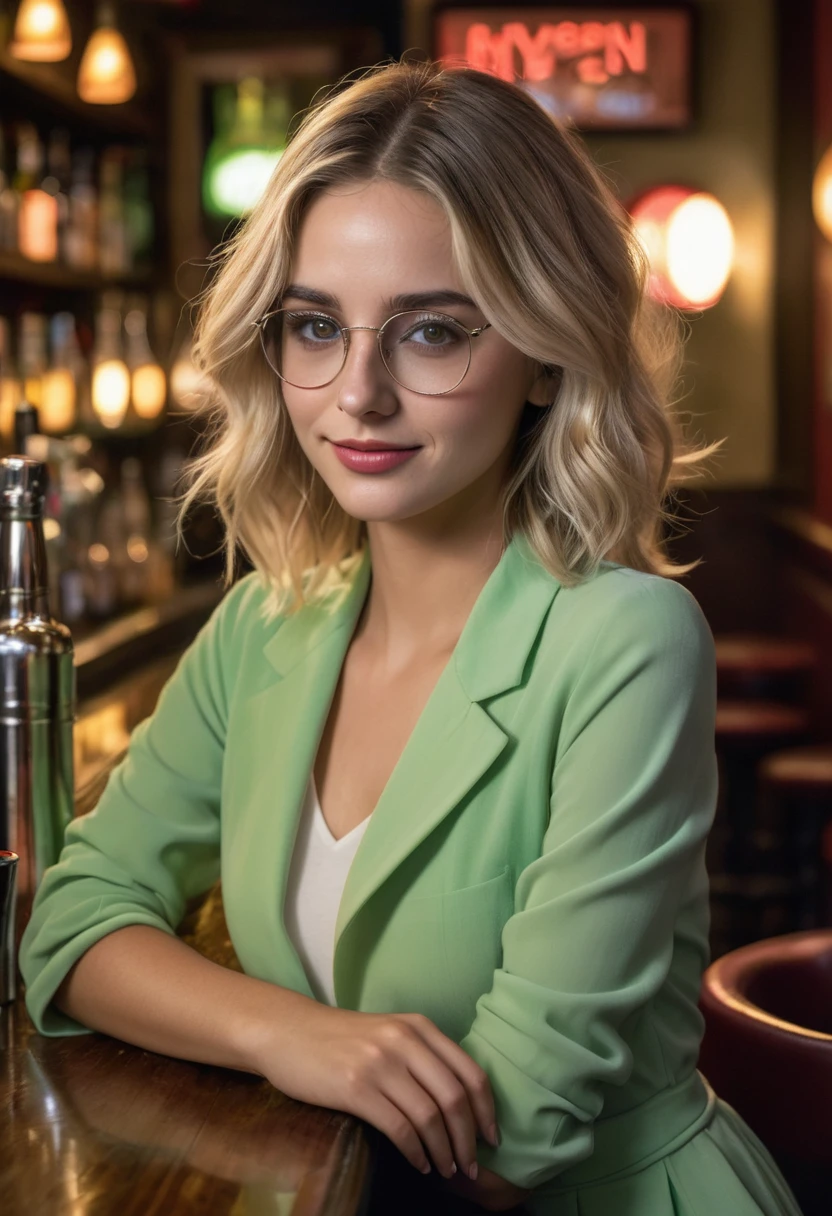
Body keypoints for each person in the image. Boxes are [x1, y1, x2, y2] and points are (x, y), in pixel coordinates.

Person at [19, 58, 804, 1216]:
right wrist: (293, 1037)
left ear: (544, 355)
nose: (358, 395)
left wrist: (283, 1051)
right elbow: (69, 928)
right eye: (316, 327)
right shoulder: (263, 627)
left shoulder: (627, 640)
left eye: (433, 333)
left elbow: (515, 1130)